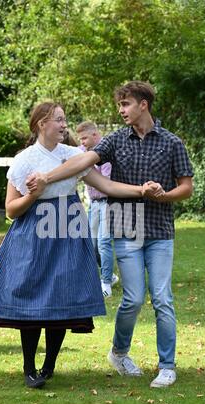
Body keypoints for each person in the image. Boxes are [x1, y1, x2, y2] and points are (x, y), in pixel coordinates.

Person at [0, 101, 152, 389]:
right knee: (32, 297)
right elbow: (11, 210)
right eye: (59, 119)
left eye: (64, 119)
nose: (64, 124)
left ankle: (49, 365)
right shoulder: (25, 160)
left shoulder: (73, 156)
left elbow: (106, 186)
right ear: (42, 123)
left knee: (61, 296)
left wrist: (140, 190)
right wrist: (34, 194)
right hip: (33, 234)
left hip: (69, 229)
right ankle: (29, 367)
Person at [27, 81, 194, 388]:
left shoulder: (172, 143)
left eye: (126, 104)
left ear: (143, 104)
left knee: (162, 298)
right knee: (131, 298)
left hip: (160, 230)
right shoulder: (116, 140)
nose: (121, 110)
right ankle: (119, 352)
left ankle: (167, 365)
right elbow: (84, 160)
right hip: (126, 227)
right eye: (119, 105)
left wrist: (164, 195)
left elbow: (186, 187)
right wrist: (47, 176)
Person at [76, 121, 118, 298]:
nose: (83, 142)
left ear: (95, 135)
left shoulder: (107, 153)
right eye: (81, 139)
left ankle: (106, 282)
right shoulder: (82, 151)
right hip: (93, 203)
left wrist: (87, 165)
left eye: (85, 138)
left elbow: (106, 182)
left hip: (108, 202)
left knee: (104, 242)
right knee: (91, 244)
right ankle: (112, 276)